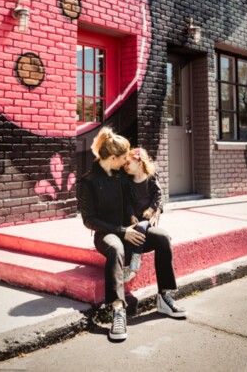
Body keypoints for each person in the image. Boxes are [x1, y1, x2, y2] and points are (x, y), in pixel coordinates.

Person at [78, 126, 187, 342]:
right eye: (123, 158)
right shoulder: (89, 181)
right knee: (116, 248)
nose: (126, 162)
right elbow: (89, 221)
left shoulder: (122, 174)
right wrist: (121, 231)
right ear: (113, 158)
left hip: (134, 230)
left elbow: (151, 181)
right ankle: (118, 310)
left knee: (163, 237)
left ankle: (164, 296)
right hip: (107, 233)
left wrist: (157, 210)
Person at [122, 147, 163, 283]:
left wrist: (152, 210)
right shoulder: (129, 182)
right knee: (129, 233)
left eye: (128, 163)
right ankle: (126, 266)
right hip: (136, 216)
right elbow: (128, 201)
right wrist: (131, 214)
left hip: (147, 218)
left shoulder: (150, 178)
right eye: (125, 163)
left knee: (140, 227)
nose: (125, 166)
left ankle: (135, 262)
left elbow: (158, 195)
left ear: (139, 163)